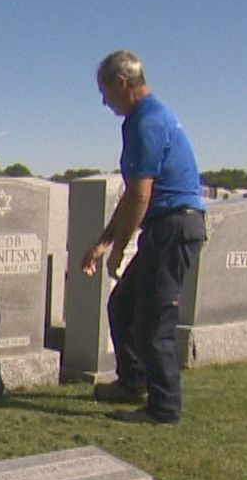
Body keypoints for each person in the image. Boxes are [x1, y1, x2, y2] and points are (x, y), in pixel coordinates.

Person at [78, 49, 206, 425]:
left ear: (122, 83)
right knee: (122, 305)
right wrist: (103, 242)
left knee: (154, 326)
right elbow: (132, 194)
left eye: (105, 92)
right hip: (166, 227)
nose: (104, 101)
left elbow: (141, 195)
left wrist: (118, 250)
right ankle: (132, 381)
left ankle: (164, 408)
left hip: (174, 228)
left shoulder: (146, 121)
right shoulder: (145, 118)